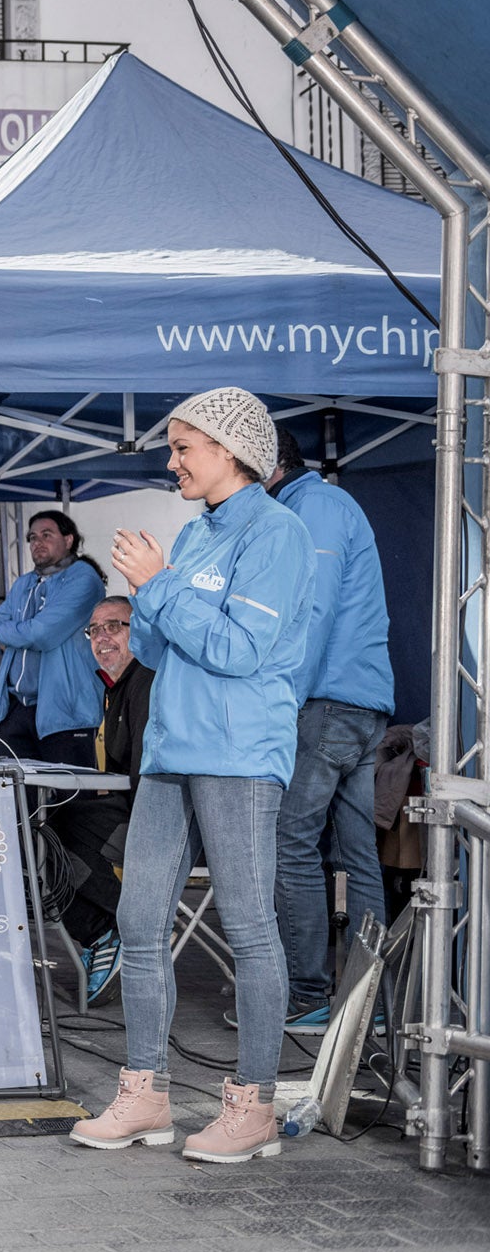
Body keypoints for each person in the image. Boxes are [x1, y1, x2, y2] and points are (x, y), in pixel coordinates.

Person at [72, 387, 313, 1164]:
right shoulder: (197, 533)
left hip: (239, 752)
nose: (171, 460)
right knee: (139, 922)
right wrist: (153, 591)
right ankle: (145, 1094)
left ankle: (254, 1105)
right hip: (173, 750)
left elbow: (240, 649)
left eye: (184, 447)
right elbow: (151, 638)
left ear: (232, 450)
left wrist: (161, 585)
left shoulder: (279, 534)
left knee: (247, 927)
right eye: (172, 447)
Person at [265, 424, 395, 1034]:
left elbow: (310, 612)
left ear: (266, 465)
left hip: (327, 702)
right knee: (358, 859)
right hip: (361, 704)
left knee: (290, 845)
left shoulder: (311, 507)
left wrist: (282, 697)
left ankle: (308, 995)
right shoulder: (328, 502)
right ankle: (366, 1003)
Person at [42, 595, 152, 1006]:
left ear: (138, 631)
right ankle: (102, 931)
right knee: (38, 826)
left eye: (114, 626)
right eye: (94, 630)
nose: (102, 637)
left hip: (157, 818)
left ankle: (120, 925)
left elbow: (145, 776)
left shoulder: (146, 681)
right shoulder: (114, 688)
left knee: (52, 828)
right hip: (124, 808)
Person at [0, 510, 106, 767]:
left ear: (69, 540)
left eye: (46, 535)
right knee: (13, 799)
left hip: (64, 712)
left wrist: (8, 632)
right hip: (15, 709)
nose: (37, 542)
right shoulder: (24, 584)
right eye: (32, 537)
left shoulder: (83, 578)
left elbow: (42, 634)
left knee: (72, 800)